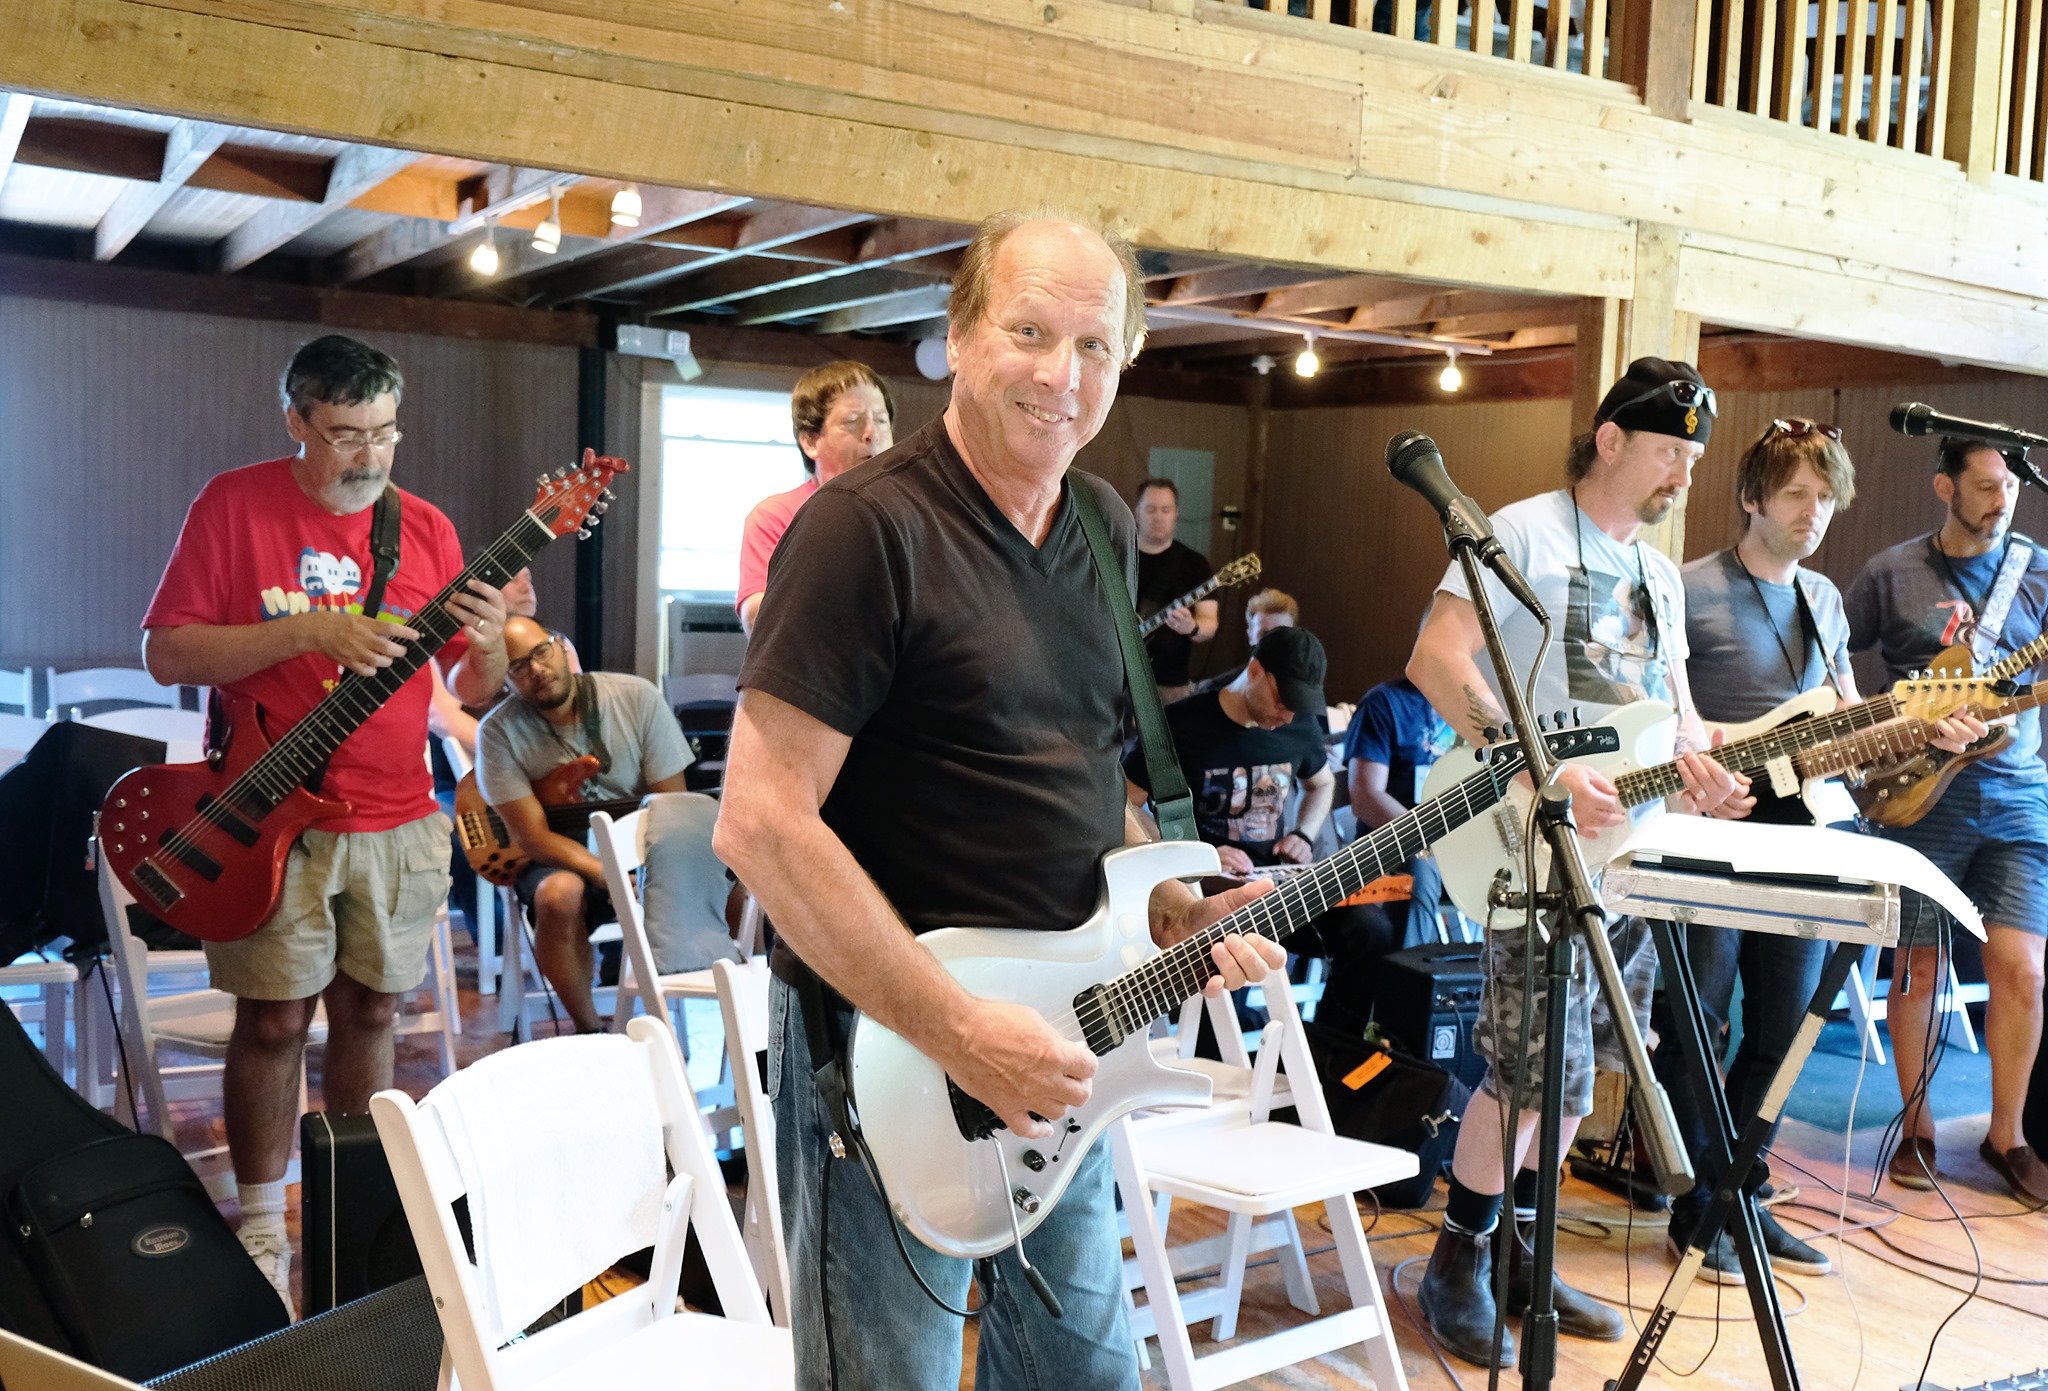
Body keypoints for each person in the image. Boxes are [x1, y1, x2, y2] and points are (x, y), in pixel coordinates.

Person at [713, 212, 1286, 1391]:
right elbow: (759, 822)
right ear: (958, 339)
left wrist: (1171, 898)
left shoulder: (1103, 524)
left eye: (1091, 345)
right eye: (1027, 330)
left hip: (1059, 1044)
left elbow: (1084, 769)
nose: (1056, 373)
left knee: (1087, 1377)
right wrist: (960, 1031)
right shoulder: (862, 529)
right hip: (889, 1058)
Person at [140, 334, 509, 1312]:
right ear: (296, 420)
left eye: (386, 432)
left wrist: (484, 653)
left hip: (398, 816)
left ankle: (351, 1207)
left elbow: (472, 686)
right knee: (270, 1021)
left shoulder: (424, 527)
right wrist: (310, 628)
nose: (369, 456)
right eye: (346, 434)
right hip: (269, 815)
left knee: (374, 1012)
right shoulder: (232, 505)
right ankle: (262, 1223)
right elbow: (167, 653)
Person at [1404, 357, 1752, 1368]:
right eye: (1666, 451)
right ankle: (1457, 1253)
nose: (1681, 474)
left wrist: (1708, 772)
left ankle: (1522, 1242)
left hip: (1623, 861)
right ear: (1608, 439)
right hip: (1527, 843)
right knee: (1521, 1068)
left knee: (1577, 1076)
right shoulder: (1520, 533)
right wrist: (1534, 772)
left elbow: (1676, 722)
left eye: (1691, 457)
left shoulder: (1654, 573)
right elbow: (1435, 657)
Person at [1846, 436, 2048, 1205]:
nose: (2003, 500)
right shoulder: (1890, 572)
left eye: (2013, 488)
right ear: (1944, 487)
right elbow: (1836, 655)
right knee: (1918, 966)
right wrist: (1884, 734)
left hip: (2018, 793)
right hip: (1919, 794)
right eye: (1989, 485)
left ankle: (2009, 1135)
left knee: (2022, 968)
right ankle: (1917, 1126)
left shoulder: (2036, 567)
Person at [475, 617, 693, 1034]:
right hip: (558, 852)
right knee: (559, 895)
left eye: (541, 652)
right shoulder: (497, 734)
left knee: (736, 888)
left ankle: (721, 1016)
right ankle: (589, 1030)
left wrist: (635, 866)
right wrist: (604, 872)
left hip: (640, 849)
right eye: (519, 666)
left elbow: (673, 808)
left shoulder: (636, 698)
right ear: (506, 680)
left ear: (562, 647)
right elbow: (533, 837)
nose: (536, 669)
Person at [1124, 627, 1334, 877]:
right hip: (1197, 882)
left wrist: (1303, 834)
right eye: (1282, 700)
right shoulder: (1180, 724)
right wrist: (1194, 853)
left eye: (1298, 706)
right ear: (1255, 671)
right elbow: (1125, 804)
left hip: (1271, 880)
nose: (1288, 717)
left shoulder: (1302, 726)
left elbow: (1322, 784)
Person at [736, 361, 896, 634]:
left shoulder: (911, 512)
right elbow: (756, 618)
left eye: (881, 421)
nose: (872, 434)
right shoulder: (776, 516)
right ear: (809, 441)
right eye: (852, 422)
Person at [1134, 477, 1218, 702]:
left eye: (1166, 510)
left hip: (1169, 685)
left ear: (1176, 514)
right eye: (1151, 509)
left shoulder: (1195, 564)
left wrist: (1192, 627)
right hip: (1113, 680)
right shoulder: (1116, 557)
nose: (1158, 517)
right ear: (1136, 512)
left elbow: (1210, 622)